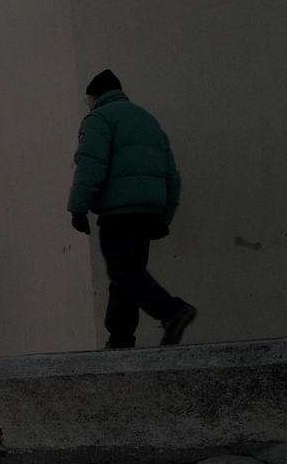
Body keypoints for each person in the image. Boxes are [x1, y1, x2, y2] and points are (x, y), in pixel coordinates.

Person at [69, 69, 196, 347]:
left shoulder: (99, 118)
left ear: (94, 95)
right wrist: (164, 216)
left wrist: (77, 208)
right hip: (148, 213)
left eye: (86, 100)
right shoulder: (147, 120)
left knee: (123, 271)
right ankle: (121, 339)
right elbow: (171, 175)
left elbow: (91, 163)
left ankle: (172, 311)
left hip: (119, 213)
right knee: (128, 275)